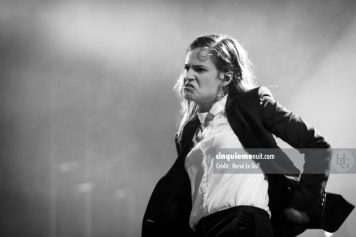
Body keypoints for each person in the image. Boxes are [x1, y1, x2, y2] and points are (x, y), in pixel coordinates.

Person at [142, 34, 353, 237]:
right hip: (204, 230)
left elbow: (316, 144)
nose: (187, 76)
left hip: (243, 224)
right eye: (186, 68)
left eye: (199, 69)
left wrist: (305, 203)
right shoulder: (188, 133)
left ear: (226, 77)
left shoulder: (252, 104)